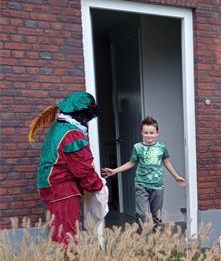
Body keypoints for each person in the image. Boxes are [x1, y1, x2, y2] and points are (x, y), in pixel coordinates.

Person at [28, 91, 105, 245]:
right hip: (62, 190)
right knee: (67, 236)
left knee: (58, 234)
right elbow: (83, 169)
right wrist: (99, 185)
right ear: (82, 114)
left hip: (50, 187)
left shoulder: (59, 128)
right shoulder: (72, 134)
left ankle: (64, 260)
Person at [103, 116, 186, 228]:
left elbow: (166, 162)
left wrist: (176, 176)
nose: (149, 135)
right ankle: (142, 234)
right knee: (142, 215)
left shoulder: (162, 147)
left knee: (156, 216)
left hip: (157, 186)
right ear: (141, 133)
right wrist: (115, 171)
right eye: (146, 133)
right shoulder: (137, 147)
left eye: (152, 133)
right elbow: (131, 163)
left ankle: (155, 237)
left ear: (157, 133)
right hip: (141, 185)